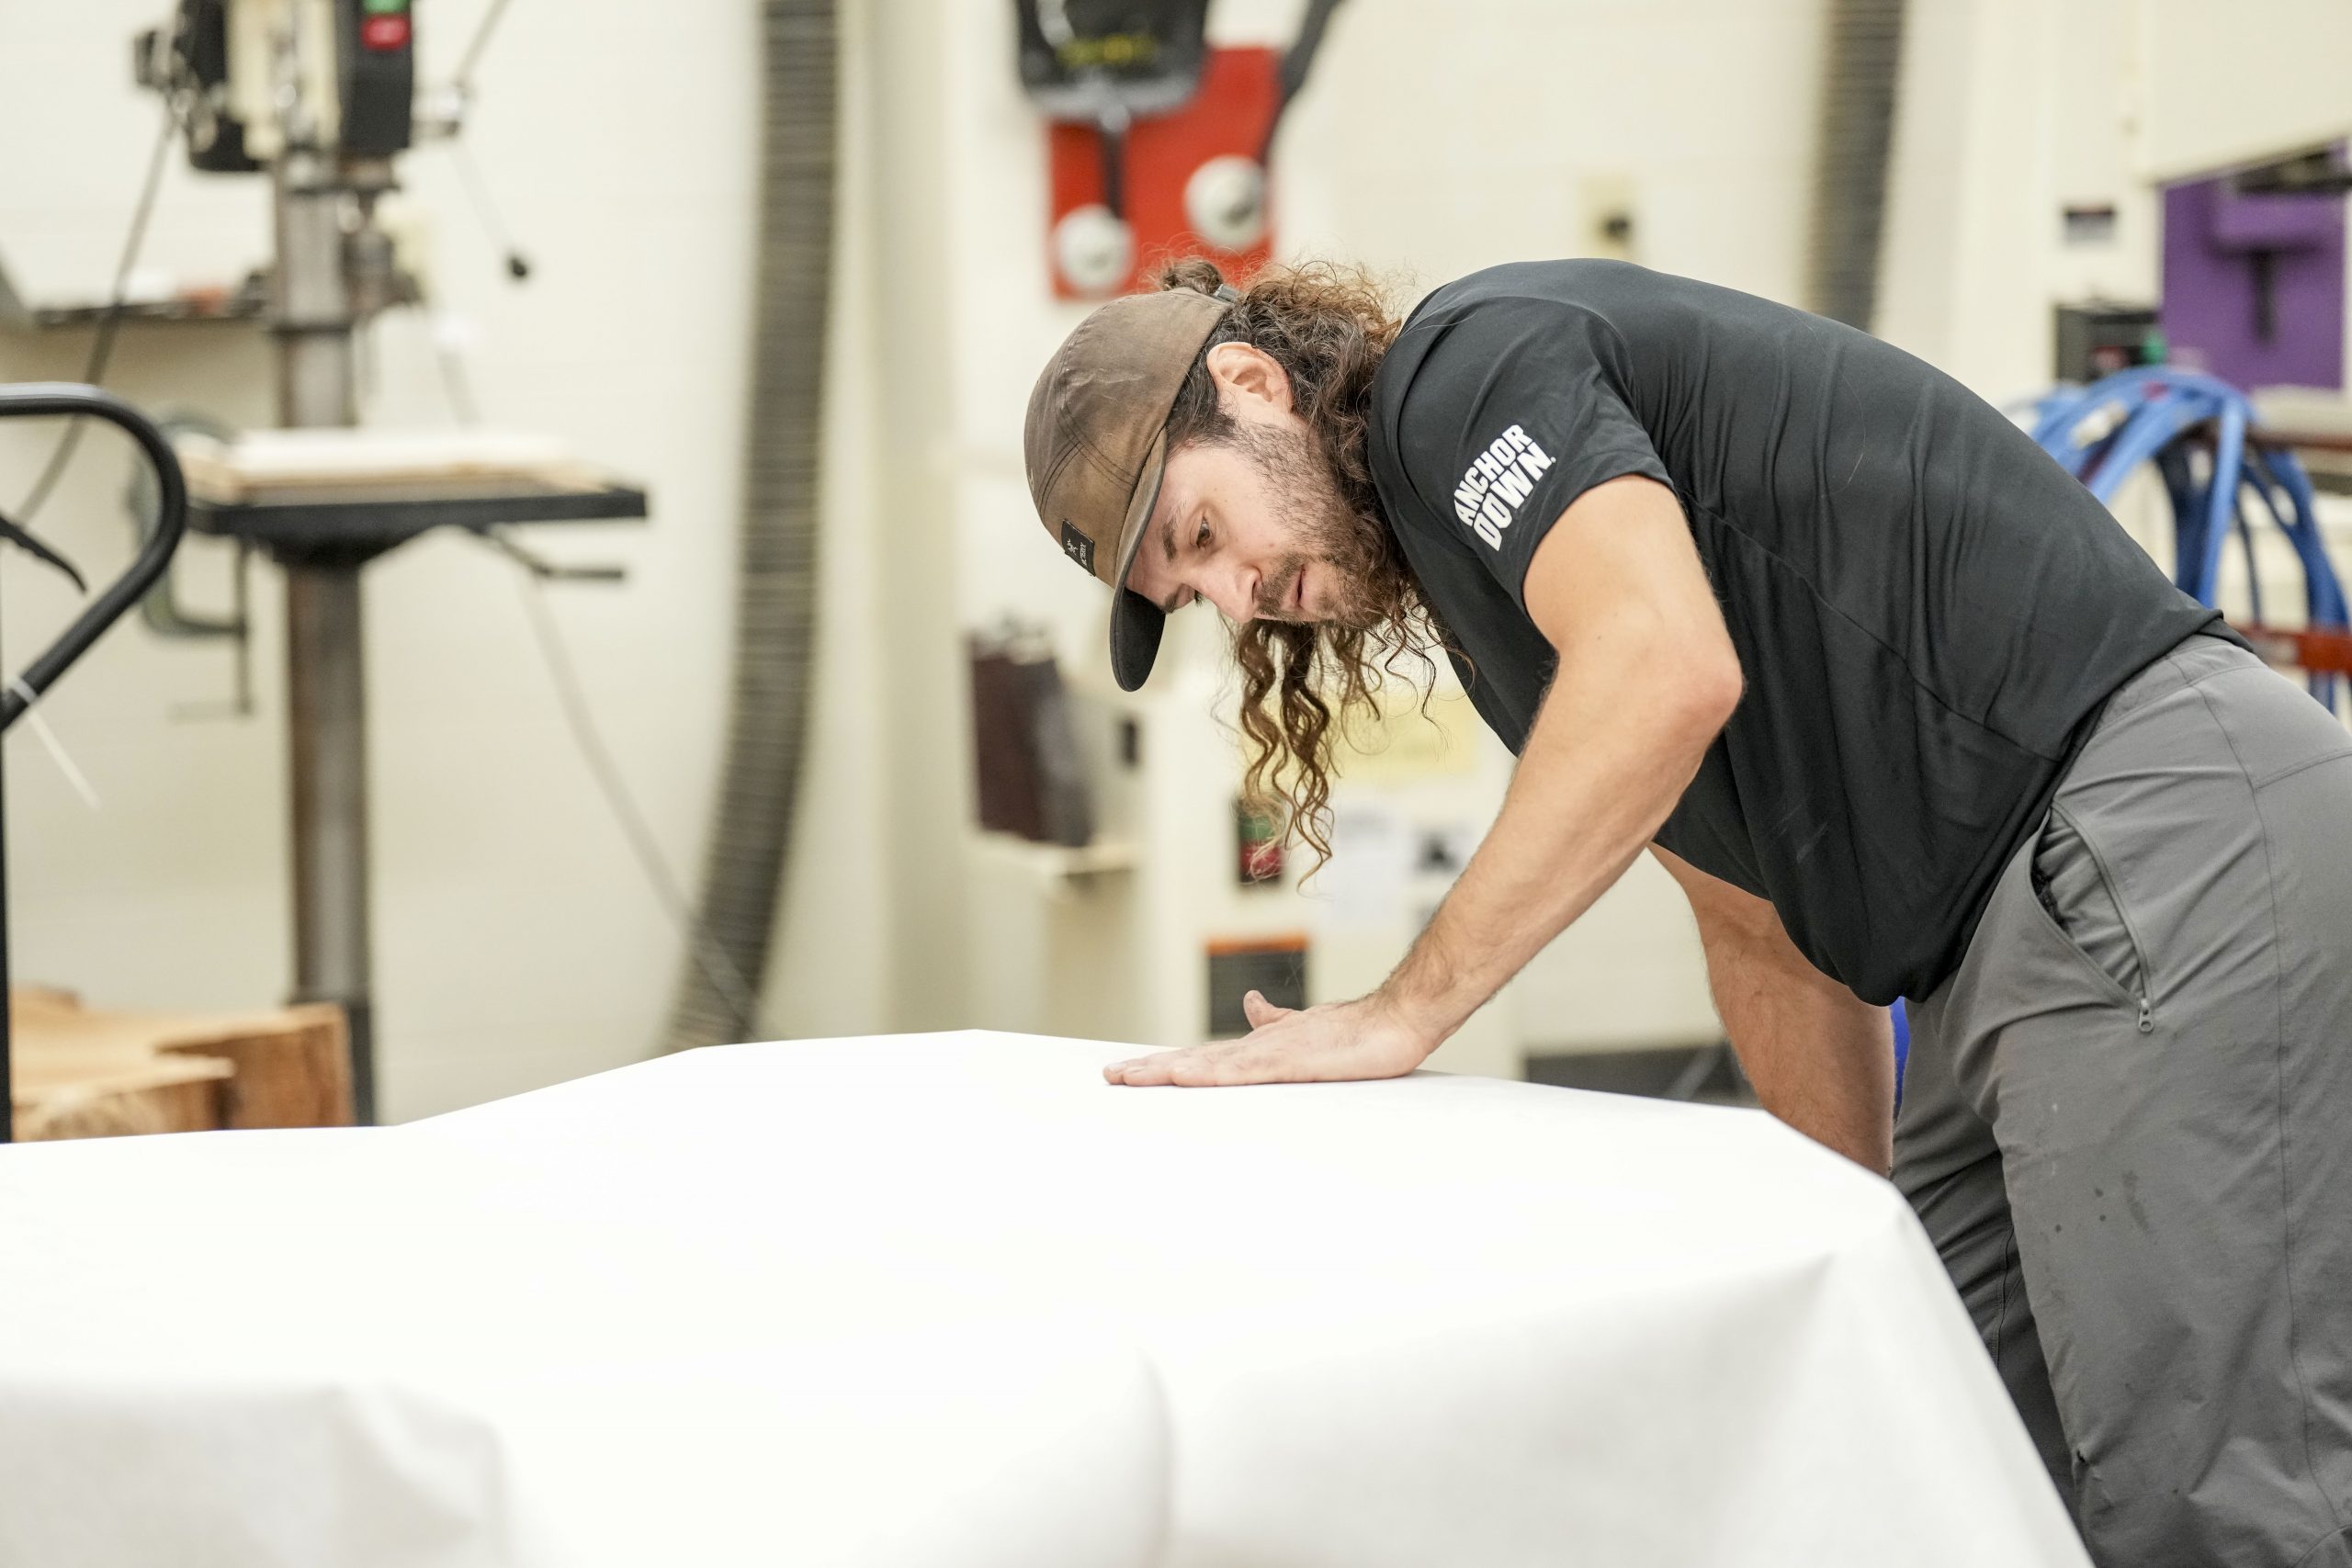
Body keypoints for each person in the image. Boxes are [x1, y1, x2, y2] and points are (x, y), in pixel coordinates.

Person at [1022, 256, 2352, 1565]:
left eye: (1202, 536)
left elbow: (1666, 667)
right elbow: (1759, 933)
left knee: (2212, 1507)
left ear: (1253, 385)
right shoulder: (1498, 613)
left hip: (2143, 835)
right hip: (1988, 940)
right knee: (1946, 1451)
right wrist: (1825, 1267)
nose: (1235, 594)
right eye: (1187, 594)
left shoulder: (1465, 371)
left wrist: (1400, 1012)